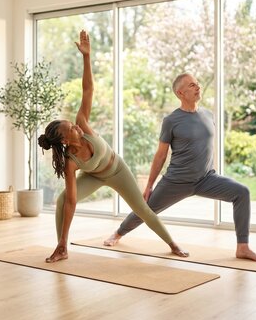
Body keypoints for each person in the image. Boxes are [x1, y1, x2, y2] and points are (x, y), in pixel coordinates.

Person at [37, 30, 188, 263]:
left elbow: (88, 90)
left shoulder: (83, 124)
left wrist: (86, 57)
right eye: (71, 129)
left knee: (143, 210)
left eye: (73, 125)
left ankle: (172, 243)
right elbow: (72, 201)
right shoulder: (70, 161)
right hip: (95, 176)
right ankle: (62, 247)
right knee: (61, 200)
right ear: (65, 141)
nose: (76, 127)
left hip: (117, 169)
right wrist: (65, 237)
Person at [104, 73, 256, 263]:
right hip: (176, 181)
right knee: (146, 210)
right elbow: (160, 155)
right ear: (180, 93)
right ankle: (118, 233)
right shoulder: (171, 120)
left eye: (198, 83)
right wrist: (150, 184)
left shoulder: (208, 115)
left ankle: (243, 247)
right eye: (192, 85)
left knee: (242, 192)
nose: (198, 87)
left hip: (206, 179)